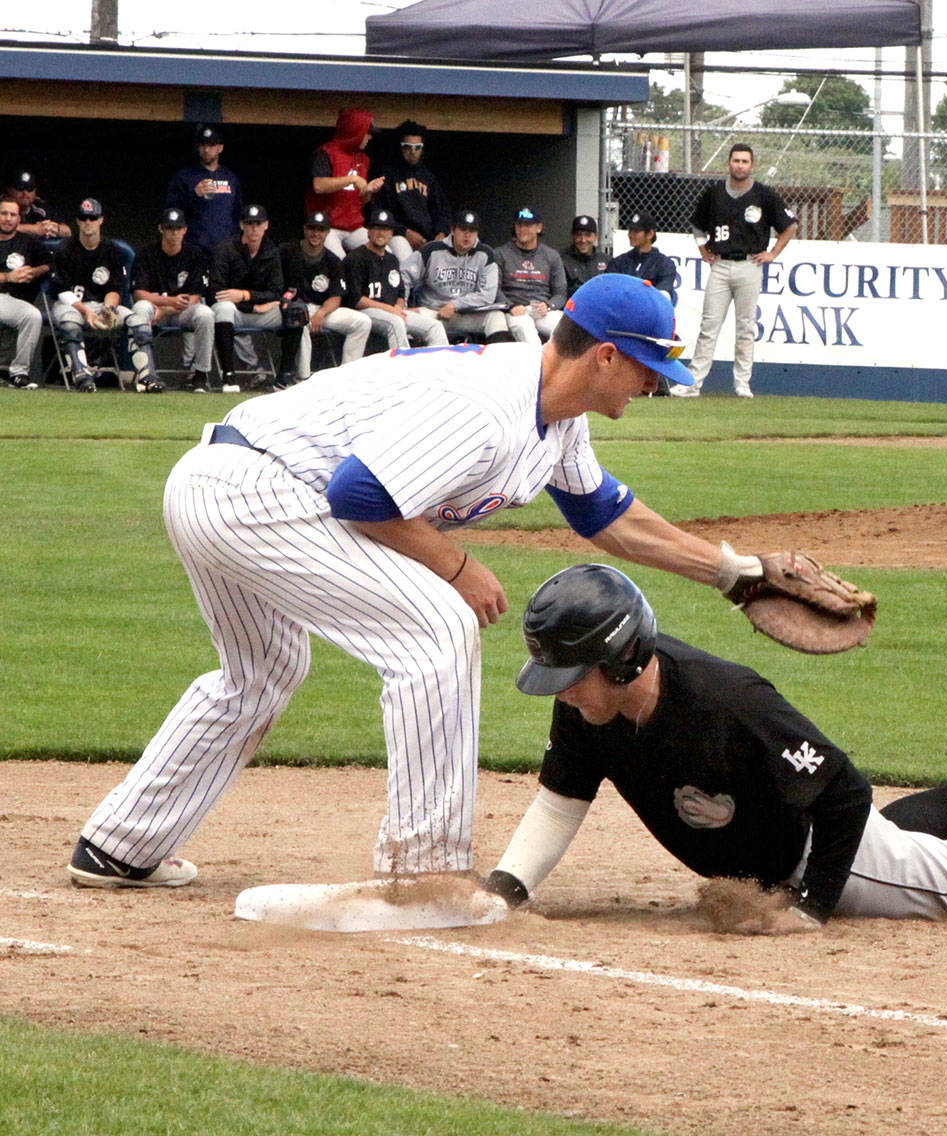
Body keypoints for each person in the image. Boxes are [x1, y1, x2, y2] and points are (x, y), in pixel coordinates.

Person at [65, 274, 775, 891]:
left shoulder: (557, 417)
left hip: (230, 484)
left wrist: (730, 572)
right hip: (257, 489)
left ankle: (121, 847)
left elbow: (606, 515)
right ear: (607, 355)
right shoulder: (490, 404)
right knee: (436, 630)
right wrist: (457, 567)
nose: (654, 383)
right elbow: (359, 495)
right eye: (648, 366)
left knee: (261, 672)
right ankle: (424, 871)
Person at [484, 564, 947, 925]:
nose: (562, 692)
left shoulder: (728, 703)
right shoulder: (588, 711)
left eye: (573, 675)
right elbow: (560, 802)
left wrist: (811, 904)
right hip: (796, 833)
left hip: (816, 844)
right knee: (888, 840)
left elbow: (843, 792)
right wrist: (508, 888)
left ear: (623, 660)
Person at [672, 144, 796, 399]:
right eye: (736, 160)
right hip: (721, 264)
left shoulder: (764, 195)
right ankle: (693, 383)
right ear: (729, 163)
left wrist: (773, 253)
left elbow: (790, 225)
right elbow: (697, 225)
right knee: (709, 325)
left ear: (752, 165)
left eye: (745, 161)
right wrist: (702, 248)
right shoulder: (714, 193)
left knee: (745, 327)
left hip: (750, 264)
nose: (740, 165)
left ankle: (742, 384)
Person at [208, 203, 303, 393]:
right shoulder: (225, 249)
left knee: (296, 311)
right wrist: (252, 305)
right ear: (242, 225)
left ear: (266, 225)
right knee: (223, 307)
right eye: (249, 223)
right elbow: (217, 292)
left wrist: (246, 295)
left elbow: (276, 291)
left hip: (262, 311)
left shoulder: (272, 251)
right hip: (237, 311)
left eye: (258, 224)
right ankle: (229, 375)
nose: (254, 228)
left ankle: (284, 375)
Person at [128, 206, 215, 393]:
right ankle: (146, 373)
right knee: (141, 308)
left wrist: (167, 308)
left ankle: (201, 375)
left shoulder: (195, 254)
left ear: (184, 230)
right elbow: (139, 293)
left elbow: (195, 296)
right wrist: (168, 303)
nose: (174, 233)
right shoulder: (146, 254)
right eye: (169, 228)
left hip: (179, 312)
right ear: (161, 229)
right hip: (155, 309)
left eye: (178, 228)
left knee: (205, 313)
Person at [278, 211, 372, 380]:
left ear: (328, 233)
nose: (316, 234)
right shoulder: (287, 252)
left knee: (363, 322)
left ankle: (348, 377)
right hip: (295, 308)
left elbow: (336, 297)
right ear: (305, 229)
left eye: (321, 230)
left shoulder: (333, 261)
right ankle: (303, 378)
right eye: (312, 228)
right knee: (299, 317)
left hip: (323, 309)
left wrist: (321, 313)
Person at [48, 197, 129, 393]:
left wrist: (109, 308)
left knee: (138, 321)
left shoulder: (113, 251)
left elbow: (116, 288)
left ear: (101, 220)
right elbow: (60, 290)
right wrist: (86, 312)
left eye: (92, 218)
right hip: (72, 305)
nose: (87, 222)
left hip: (101, 305)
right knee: (69, 323)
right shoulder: (64, 249)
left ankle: (147, 377)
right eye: (83, 218)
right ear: (77, 221)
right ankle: (81, 375)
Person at [342, 206, 446, 351]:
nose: (381, 233)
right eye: (376, 228)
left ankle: (440, 371)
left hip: (391, 311)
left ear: (391, 233)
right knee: (396, 322)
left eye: (386, 229)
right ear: (368, 232)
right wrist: (391, 310)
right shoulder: (355, 257)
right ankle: (403, 371)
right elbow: (357, 300)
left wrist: (398, 306)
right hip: (365, 312)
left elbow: (400, 293)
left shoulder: (392, 260)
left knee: (435, 326)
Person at [413, 208, 510, 343]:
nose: (467, 235)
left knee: (496, 318)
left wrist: (454, 305)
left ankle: (499, 362)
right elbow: (404, 276)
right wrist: (402, 303)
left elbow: (488, 295)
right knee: (406, 317)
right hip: (434, 312)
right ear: (453, 230)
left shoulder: (486, 254)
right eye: (463, 229)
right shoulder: (431, 250)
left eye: (472, 231)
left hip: (467, 313)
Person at [375, 119, 450, 286]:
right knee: (408, 266)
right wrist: (404, 232)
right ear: (400, 147)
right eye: (407, 147)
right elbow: (379, 212)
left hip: (427, 238)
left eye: (417, 148)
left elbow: (442, 211)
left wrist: (439, 235)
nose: (412, 152)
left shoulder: (428, 177)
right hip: (398, 235)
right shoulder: (388, 174)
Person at [305, 108, 384, 260]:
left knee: (382, 255)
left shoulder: (363, 159)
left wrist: (368, 190)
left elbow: (362, 201)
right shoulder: (326, 153)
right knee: (340, 262)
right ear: (355, 131)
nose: (370, 137)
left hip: (354, 227)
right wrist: (352, 179)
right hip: (327, 227)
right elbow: (319, 186)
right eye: (367, 132)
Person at [164, 125, 243, 257]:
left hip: (225, 251)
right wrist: (194, 195)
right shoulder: (185, 176)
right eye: (202, 145)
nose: (206, 150)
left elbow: (238, 213)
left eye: (211, 145)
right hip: (194, 249)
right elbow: (171, 212)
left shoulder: (230, 177)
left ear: (220, 148)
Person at [495, 207, 567, 345]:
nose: (522, 229)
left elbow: (561, 293)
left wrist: (549, 305)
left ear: (539, 228)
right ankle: (538, 366)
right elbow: (494, 290)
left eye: (527, 225)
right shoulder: (500, 253)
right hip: (516, 310)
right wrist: (510, 306)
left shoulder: (551, 255)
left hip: (542, 310)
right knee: (527, 332)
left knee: (566, 330)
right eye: (519, 224)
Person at [0, 196, 51, 389]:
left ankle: (19, 373)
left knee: (32, 315)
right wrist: (8, 278)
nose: (7, 218)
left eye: (12, 214)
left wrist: (33, 271)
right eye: (3, 213)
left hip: (11, 301)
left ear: (19, 219)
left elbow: (48, 264)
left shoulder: (27, 242)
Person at [606, 211, 678, 302]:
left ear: (650, 234)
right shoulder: (618, 262)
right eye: (630, 230)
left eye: (636, 231)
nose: (631, 235)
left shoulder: (665, 264)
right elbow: (608, 290)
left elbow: (662, 297)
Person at [5, 169, 70, 241]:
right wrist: (33, 229)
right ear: (9, 190)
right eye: (20, 188)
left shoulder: (39, 206)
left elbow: (68, 231)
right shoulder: (2, 206)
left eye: (30, 188)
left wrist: (53, 228)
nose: (25, 193)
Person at [560, 214, 609, 296]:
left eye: (588, 235)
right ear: (572, 236)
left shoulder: (606, 260)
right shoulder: (561, 260)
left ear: (596, 237)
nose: (583, 240)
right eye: (578, 235)